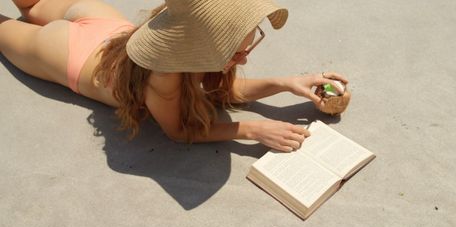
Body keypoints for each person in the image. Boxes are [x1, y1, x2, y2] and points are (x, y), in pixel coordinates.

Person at [0, 0, 349, 152]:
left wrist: (287, 82)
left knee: (32, 5)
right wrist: (252, 129)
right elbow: (178, 130)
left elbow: (219, 93)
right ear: (201, 51)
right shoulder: (163, 77)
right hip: (67, 54)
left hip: (107, 26)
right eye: (237, 52)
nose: (245, 56)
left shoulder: (182, 48)